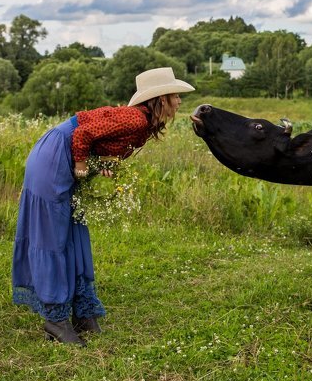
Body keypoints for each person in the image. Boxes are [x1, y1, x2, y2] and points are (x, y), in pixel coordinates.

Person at [12, 67, 194, 345]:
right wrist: (81, 165)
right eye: (175, 96)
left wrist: (101, 163)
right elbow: (83, 134)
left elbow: (100, 140)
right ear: (161, 99)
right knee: (53, 236)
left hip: (62, 152)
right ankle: (55, 320)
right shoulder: (135, 119)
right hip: (55, 155)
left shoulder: (144, 122)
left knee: (74, 233)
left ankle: (82, 313)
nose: (179, 101)